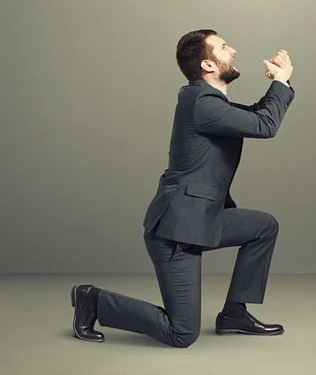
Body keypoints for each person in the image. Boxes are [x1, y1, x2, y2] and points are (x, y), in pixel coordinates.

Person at [70, 30, 295, 347]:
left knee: (263, 227)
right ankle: (93, 300)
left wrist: (279, 83)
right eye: (224, 47)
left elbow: (257, 115)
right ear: (207, 64)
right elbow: (265, 125)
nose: (233, 51)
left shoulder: (208, 101)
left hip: (202, 219)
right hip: (177, 230)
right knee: (182, 333)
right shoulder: (203, 102)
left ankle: (234, 314)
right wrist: (281, 81)